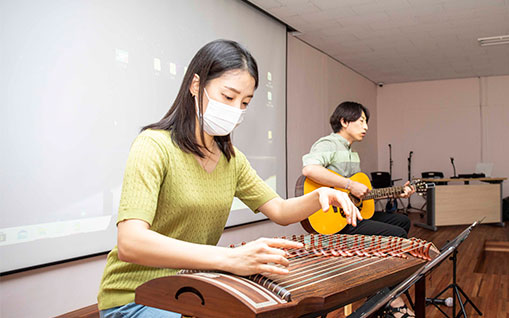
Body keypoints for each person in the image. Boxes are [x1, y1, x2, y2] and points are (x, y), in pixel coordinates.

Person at [97, 39, 361, 318]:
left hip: (191, 291)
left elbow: (281, 211)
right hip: (136, 298)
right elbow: (131, 242)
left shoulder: (231, 160)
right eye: (228, 97)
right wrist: (230, 259)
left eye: (245, 102)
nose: (236, 109)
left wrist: (320, 195)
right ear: (196, 85)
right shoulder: (153, 146)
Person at [302, 101, 414, 238]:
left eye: (366, 123)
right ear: (344, 122)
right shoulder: (328, 144)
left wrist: (396, 193)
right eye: (361, 121)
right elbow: (310, 169)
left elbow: (360, 194)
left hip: (351, 212)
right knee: (398, 233)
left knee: (403, 221)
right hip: (333, 218)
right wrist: (350, 184)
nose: (366, 127)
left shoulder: (352, 153)